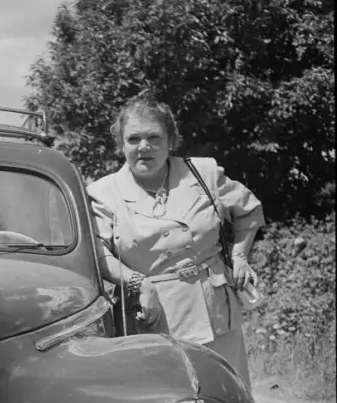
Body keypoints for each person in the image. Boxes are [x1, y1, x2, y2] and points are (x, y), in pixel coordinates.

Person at [87, 94, 264, 387]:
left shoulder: (203, 172)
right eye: (133, 139)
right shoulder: (102, 193)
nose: (144, 147)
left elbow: (249, 211)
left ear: (171, 141)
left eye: (154, 137)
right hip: (149, 319)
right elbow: (98, 253)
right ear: (121, 144)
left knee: (225, 397)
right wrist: (138, 283)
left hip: (215, 315)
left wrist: (241, 256)